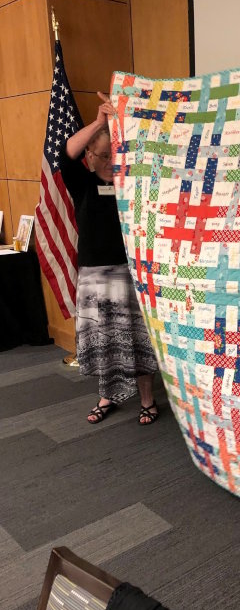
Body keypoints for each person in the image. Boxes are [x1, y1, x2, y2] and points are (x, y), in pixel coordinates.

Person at [61, 92, 159, 425]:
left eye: (112, 155)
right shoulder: (84, 184)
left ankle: (147, 398)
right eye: (101, 155)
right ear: (90, 155)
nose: (106, 161)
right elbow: (66, 154)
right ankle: (108, 396)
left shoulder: (131, 183)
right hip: (93, 275)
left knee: (136, 338)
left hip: (130, 274)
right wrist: (100, 123)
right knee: (104, 341)